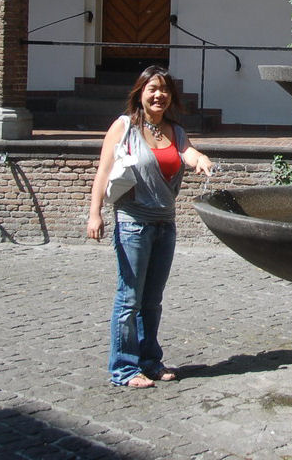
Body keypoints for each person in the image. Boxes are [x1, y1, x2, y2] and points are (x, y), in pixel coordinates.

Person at [87, 65, 213, 388]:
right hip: (132, 224)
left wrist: (199, 159)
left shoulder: (175, 130)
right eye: (152, 90)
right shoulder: (124, 127)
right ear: (140, 93)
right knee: (128, 299)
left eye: (164, 90)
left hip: (164, 225)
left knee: (152, 301)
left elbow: (186, 153)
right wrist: (95, 214)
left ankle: (149, 361)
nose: (159, 96)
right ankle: (123, 369)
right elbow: (103, 172)